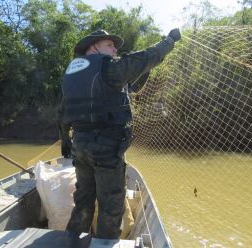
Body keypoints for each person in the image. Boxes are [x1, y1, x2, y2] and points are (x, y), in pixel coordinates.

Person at [58, 28, 181, 239]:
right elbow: (145, 58)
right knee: (111, 206)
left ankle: (72, 243)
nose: (115, 49)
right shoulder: (110, 68)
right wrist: (169, 41)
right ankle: (105, 243)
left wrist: (65, 141)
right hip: (106, 149)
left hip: (80, 147)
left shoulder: (72, 75)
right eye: (110, 45)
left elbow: (63, 112)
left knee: (83, 201)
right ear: (93, 47)